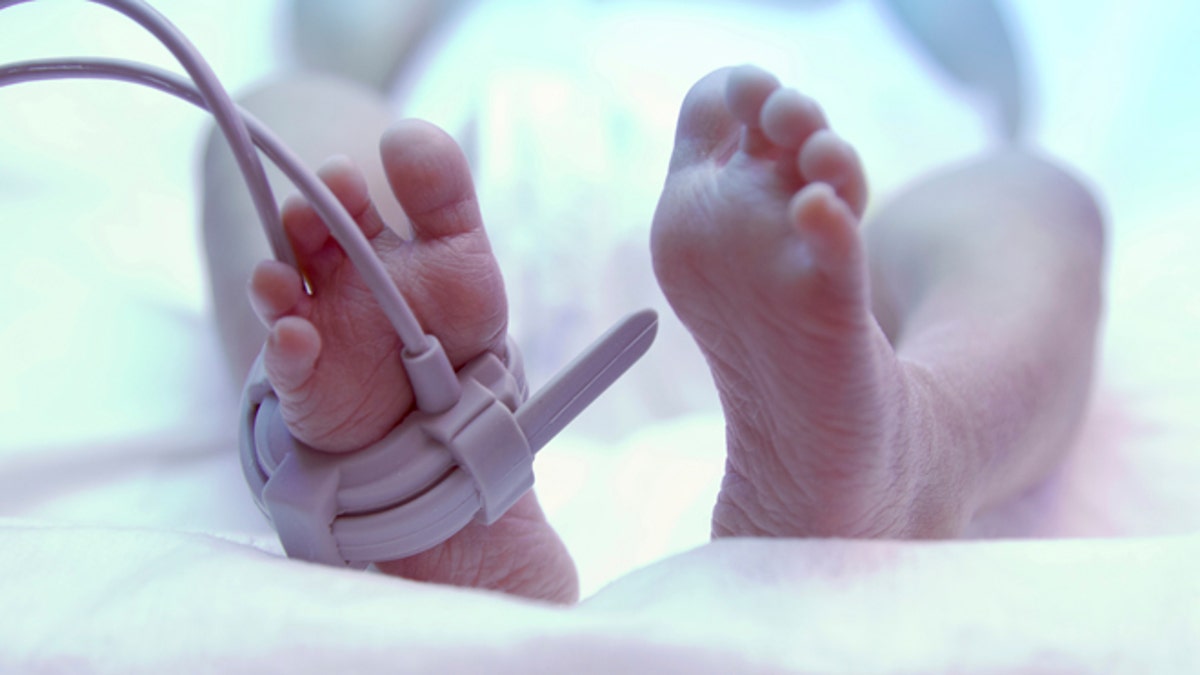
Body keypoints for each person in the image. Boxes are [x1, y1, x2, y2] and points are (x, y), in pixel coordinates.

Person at [234, 63, 1104, 604]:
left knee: (1028, 193)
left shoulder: (903, 33)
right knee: (282, 110)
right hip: (440, 260)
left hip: (819, 271)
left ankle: (917, 440)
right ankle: (373, 450)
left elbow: (996, 62)